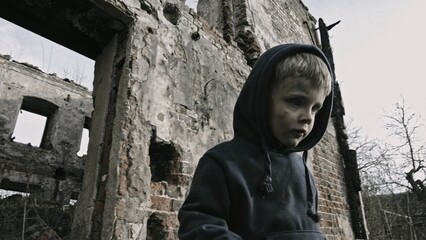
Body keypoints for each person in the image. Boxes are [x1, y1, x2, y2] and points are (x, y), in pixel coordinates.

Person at [178, 43, 334, 239]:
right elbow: (199, 227)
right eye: (296, 102)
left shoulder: (303, 170)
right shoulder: (221, 162)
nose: (308, 117)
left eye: (315, 108)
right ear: (262, 99)